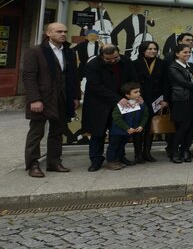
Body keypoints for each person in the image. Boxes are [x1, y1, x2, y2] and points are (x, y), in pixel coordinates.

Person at [22, 22, 80, 178]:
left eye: (65, 31)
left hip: (62, 98)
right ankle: (33, 164)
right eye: (59, 31)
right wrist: (34, 99)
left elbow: (73, 76)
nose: (63, 34)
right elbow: (29, 77)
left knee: (57, 132)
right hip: (41, 98)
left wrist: (75, 96)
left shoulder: (69, 51)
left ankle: (53, 162)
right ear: (48, 33)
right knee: (36, 132)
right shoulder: (35, 51)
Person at [82, 45, 136, 171]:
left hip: (122, 102)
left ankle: (118, 156)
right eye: (108, 59)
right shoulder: (93, 65)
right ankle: (96, 160)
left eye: (115, 58)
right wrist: (117, 98)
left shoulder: (125, 61)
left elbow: (133, 79)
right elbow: (96, 86)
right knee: (97, 133)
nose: (113, 61)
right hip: (99, 104)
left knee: (119, 132)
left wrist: (131, 94)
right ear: (101, 56)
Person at [166, 43, 193, 163]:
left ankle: (185, 150)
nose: (188, 54)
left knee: (191, 127)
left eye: (189, 52)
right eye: (185, 52)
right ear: (177, 53)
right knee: (182, 127)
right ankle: (174, 152)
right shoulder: (173, 67)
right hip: (181, 100)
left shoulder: (189, 66)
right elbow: (182, 82)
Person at [105, 82, 150, 170]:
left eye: (139, 91)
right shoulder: (121, 105)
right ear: (127, 95)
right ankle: (111, 161)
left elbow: (145, 115)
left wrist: (141, 125)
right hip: (118, 131)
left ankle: (118, 160)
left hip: (129, 131)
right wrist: (127, 128)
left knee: (121, 146)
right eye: (135, 92)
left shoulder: (141, 103)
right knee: (114, 146)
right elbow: (117, 118)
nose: (139, 94)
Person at [132, 40, 163, 163]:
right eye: (150, 49)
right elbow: (132, 82)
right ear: (143, 50)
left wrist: (164, 99)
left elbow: (166, 82)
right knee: (139, 127)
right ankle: (137, 154)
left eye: (155, 49)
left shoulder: (162, 63)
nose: (153, 51)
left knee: (150, 127)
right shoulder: (135, 63)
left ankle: (147, 152)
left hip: (155, 100)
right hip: (140, 99)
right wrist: (136, 96)